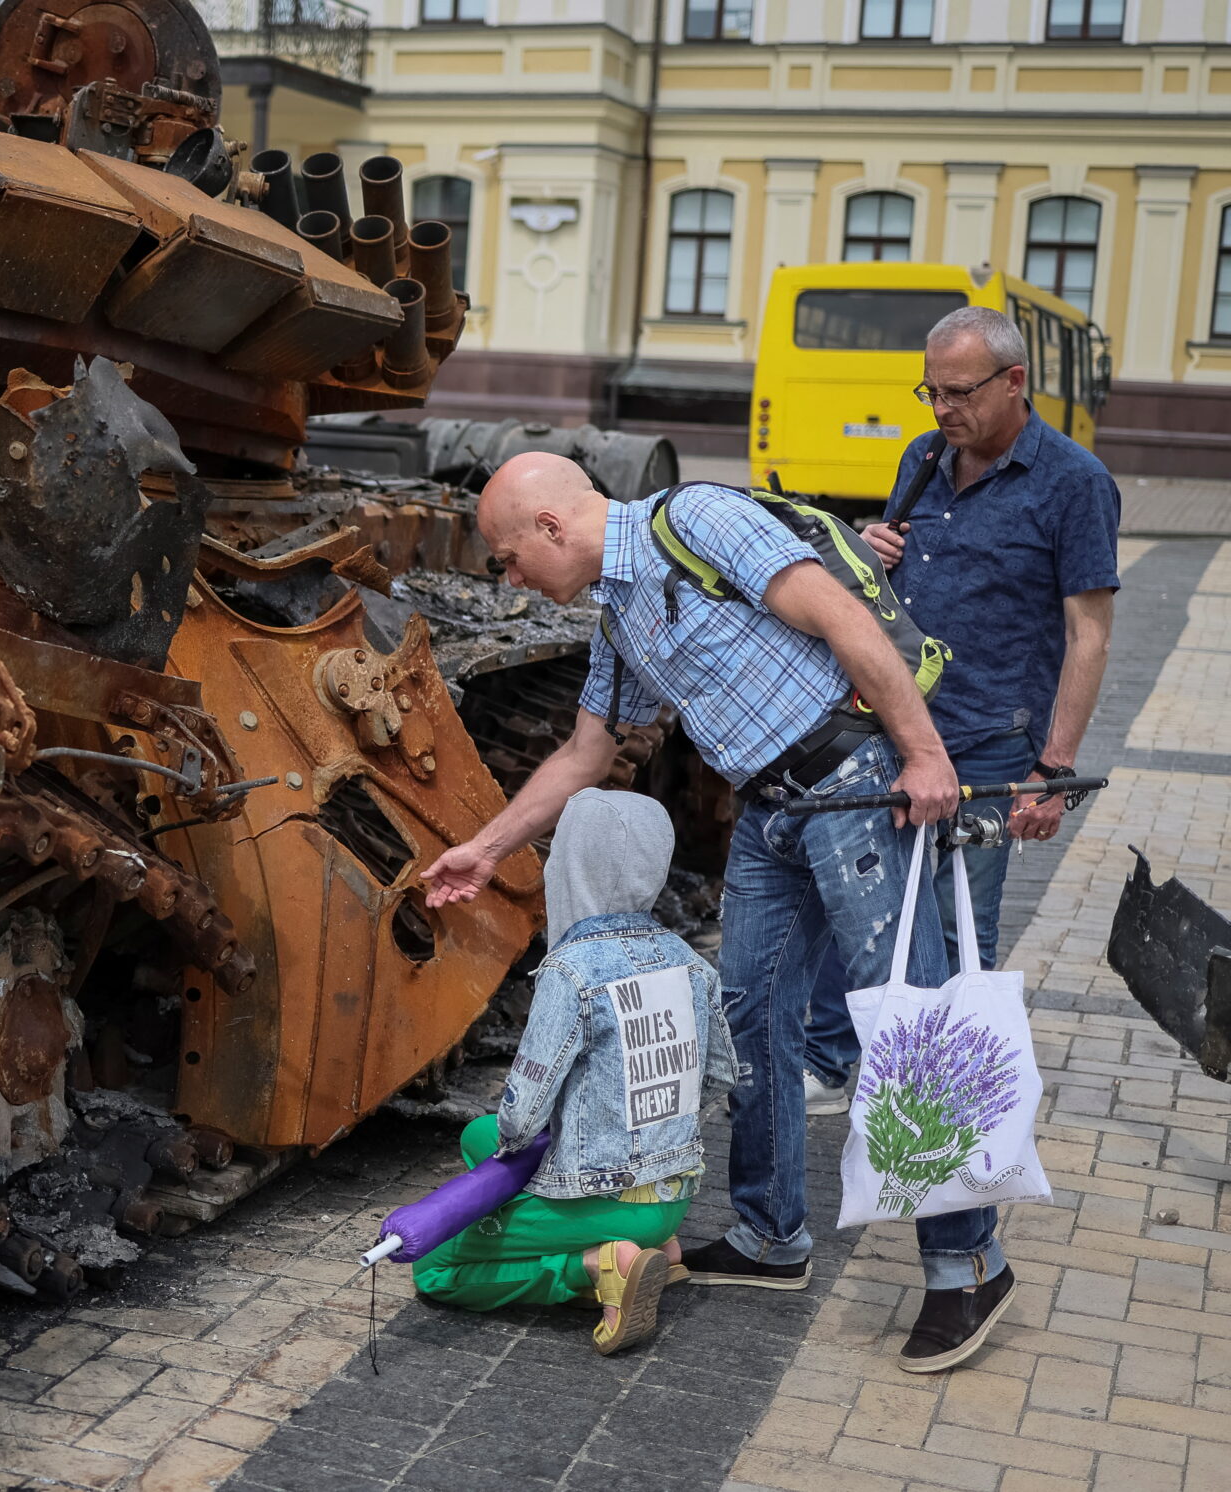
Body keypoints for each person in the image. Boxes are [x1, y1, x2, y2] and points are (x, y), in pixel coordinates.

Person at [424, 452, 1018, 1373]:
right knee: (749, 1013)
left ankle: (968, 1263)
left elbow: (841, 618)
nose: (510, 579)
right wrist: (490, 848)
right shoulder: (618, 614)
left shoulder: (695, 519)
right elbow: (587, 754)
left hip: (853, 782)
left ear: (549, 529)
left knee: (911, 1021)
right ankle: (770, 1235)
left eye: (507, 558)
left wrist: (925, 754)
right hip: (770, 810)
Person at [801, 306, 1119, 1115]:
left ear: (1015, 382)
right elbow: (887, 585)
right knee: (858, 895)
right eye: (930, 391)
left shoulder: (1075, 482)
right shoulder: (924, 455)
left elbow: (1089, 637)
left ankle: (940, 1093)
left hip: (988, 741)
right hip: (893, 726)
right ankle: (835, 1060)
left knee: (954, 922)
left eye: (959, 392)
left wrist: (1053, 768)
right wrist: (868, 546)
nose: (942, 410)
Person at [412, 789, 737, 1357]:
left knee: (435, 1266)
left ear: (570, 865)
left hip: (605, 1198)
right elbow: (715, 1076)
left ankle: (598, 1264)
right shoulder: (689, 961)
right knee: (474, 1135)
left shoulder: (570, 971)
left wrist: (541, 1146)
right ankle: (663, 1251)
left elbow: (522, 1119)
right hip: (676, 1192)